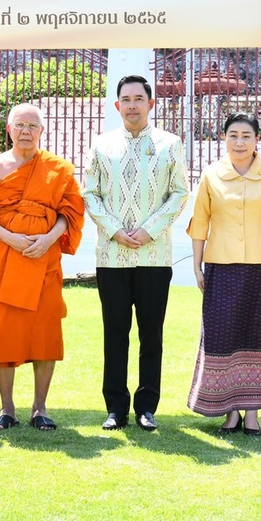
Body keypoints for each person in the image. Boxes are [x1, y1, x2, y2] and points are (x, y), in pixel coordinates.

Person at [83, 75, 189, 432]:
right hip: (112, 256)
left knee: (151, 334)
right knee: (114, 332)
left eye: (138, 98)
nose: (132, 105)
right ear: (117, 105)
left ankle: (146, 407)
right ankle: (115, 408)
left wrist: (148, 230)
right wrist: (114, 230)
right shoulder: (101, 145)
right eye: (125, 99)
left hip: (154, 257)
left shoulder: (169, 144)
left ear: (151, 103)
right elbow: (90, 193)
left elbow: (179, 193)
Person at [187, 112, 261, 436]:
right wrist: (197, 267)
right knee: (225, 339)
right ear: (224, 138)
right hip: (221, 269)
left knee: (259, 339)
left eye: (246, 135)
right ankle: (230, 412)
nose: (239, 142)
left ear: (256, 140)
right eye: (233, 135)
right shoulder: (211, 175)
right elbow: (200, 224)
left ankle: (252, 414)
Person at [0, 103, 84, 431]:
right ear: (8, 130)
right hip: (2, 257)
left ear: (41, 131)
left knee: (44, 330)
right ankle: (7, 409)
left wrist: (49, 239)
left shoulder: (57, 168)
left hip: (42, 258)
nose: (25, 131)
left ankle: (40, 408)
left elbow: (71, 212)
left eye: (32, 126)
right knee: (3, 329)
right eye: (19, 125)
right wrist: (12, 239)